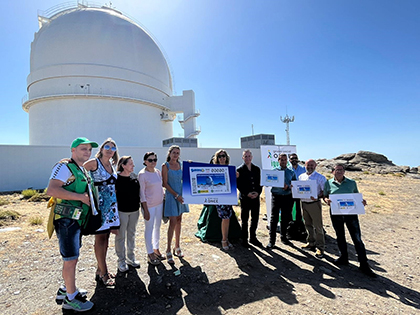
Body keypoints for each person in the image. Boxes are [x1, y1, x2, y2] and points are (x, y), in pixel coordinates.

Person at [46, 137, 98, 312]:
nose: (87, 152)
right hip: (66, 219)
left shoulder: (80, 169)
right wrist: (81, 198)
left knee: (72, 257)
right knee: (70, 259)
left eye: (89, 150)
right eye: (83, 149)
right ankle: (71, 299)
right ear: (73, 150)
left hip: (77, 219)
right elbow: (51, 190)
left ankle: (66, 288)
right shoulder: (64, 167)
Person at [323, 164, 376, 277]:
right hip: (336, 213)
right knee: (340, 236)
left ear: (344, 172)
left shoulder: (352, 183)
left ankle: (364, 264)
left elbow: (357, 196)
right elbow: (325, 195)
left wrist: (362, 202)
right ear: (333, 172)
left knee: (357, 238)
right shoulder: (328, 183)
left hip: (351, 214)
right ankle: (344, 257)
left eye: (341, 170)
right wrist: (326, 200)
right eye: (337, 170)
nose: (339, 172)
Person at [84, 138, 122, 286]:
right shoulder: (94, 163)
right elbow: (79, 172)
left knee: (106, 239)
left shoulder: (112, 165)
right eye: (107, 146)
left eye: (113, 147)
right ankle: (104, 273)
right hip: (99, 207)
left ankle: (100, 269)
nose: (110, 149)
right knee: (100, 239)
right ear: (101, 149)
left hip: (111, 208)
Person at [162, 145, 189, 264]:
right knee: (172, 222)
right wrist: (176, 195)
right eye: (174, 152)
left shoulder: (182, 165)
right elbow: (165, 183)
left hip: (181, 195)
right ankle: (168, 248)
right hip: (172, 196)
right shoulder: (165, 166)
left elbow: (187, 178)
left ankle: (177, 246)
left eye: (178, 153)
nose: (176, 155)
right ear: (170, 153)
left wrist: (191, 166)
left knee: (179, 220)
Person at [115, 156, 140, 273]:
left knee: (132, 234)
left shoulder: (135, 177)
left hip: (135, 211)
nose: (133, 166)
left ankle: (131, 258)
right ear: (123, 165)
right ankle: (121, 260)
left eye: (133, 163)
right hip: (121, 212)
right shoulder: (116, 178)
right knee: (120, 236)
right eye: (130, 164)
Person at [139, 152, 165, 266]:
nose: (153, 162)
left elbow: (160, 188)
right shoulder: (142, 174)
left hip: (159, 204)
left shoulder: (158, 172)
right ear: (145, 161)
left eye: (155, 160)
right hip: (149, 206)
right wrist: (145, 209)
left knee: (157, 227)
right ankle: (150, 253)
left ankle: (156, 249)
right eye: (150, 160)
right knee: (149, 228)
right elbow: (142, 193)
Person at [266, 153, 296, 249]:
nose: (283, 161)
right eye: (281, 160)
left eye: (285, 159)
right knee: (274, 218)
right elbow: (267, 182)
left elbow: (295, 185)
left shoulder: (291, 172)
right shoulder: (273, 171)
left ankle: (284, 237)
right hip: (276, 196)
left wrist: (289, 187)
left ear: (287, 161)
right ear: (278, 161)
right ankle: (272, 241)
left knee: (285, 218)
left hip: (287, 197)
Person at [298, 159, 327, 258]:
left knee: (318, 226)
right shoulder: (301, 176)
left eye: (312, 165)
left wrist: (318, 197)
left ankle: (320, 247)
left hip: (314, 204)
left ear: (315, 166)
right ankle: (311, 242)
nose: (310, 167)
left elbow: (325, 192)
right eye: (308, 165)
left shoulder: (320, 178)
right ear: (305, 165)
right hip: (304, 203)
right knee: (308, 224)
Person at [236, 150, 263, 248]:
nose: (247, 158)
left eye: (249, 156)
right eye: (245, 156)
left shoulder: (257, 169)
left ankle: (253, 237)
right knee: (245, 219)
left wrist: (258, 192)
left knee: (255, 218)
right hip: (245, 198)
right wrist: (247, 193)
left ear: (251, 157)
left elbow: (260, 182)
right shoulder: (239, 170)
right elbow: (239, 185)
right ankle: (244, 239)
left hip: (255, 198)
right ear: (243, 158)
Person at [288, 153, 307, 240]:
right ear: (289, 160)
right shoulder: (287, 170)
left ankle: (302, 230)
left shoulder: (303, 169)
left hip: (301, 194)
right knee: (290, 212)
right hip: (290, 194)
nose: (294, 160)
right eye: (292, 159)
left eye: (295, 158)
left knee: (300, 212)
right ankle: (291, 231)